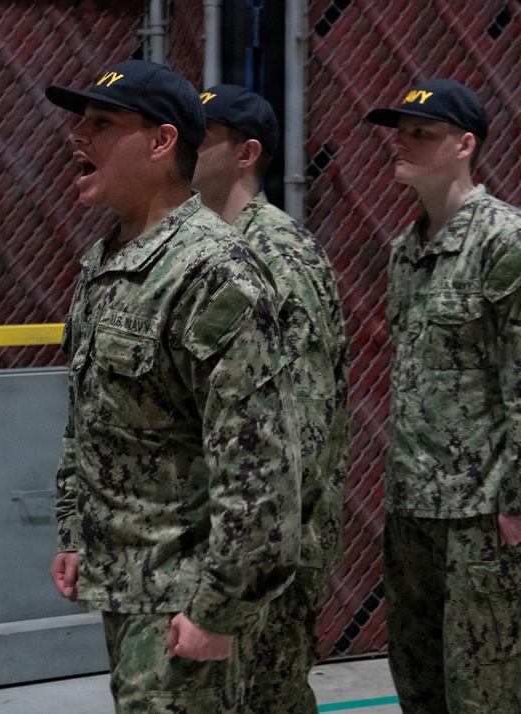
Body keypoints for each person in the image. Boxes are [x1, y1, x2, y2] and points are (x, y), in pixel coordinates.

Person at [44, 60, 301, 712]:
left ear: (162, 143)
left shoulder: (214, 270)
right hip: (124, 582)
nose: (79, 136)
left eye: (103, 123)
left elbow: (258, 463)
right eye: (82, 120)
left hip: (181, 594)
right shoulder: (107, 261)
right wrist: (75, 530)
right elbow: (90, 418)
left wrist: (219, 607)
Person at [193, 84, 350, 713]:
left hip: (272, 540)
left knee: (267, 697)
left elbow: (307, 420)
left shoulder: (277, 253)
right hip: (224, 530)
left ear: (245, 153)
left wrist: (263, 547)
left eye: (200, 139)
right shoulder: (204, 247)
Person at [366, 78, 521, 713]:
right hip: (413, 507)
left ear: (465, 144)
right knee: (418, 677)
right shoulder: (407, 250)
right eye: (398, 131)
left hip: (483, 512)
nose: (400, 143)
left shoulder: (503, 241)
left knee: (486, 689)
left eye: (420, 133)